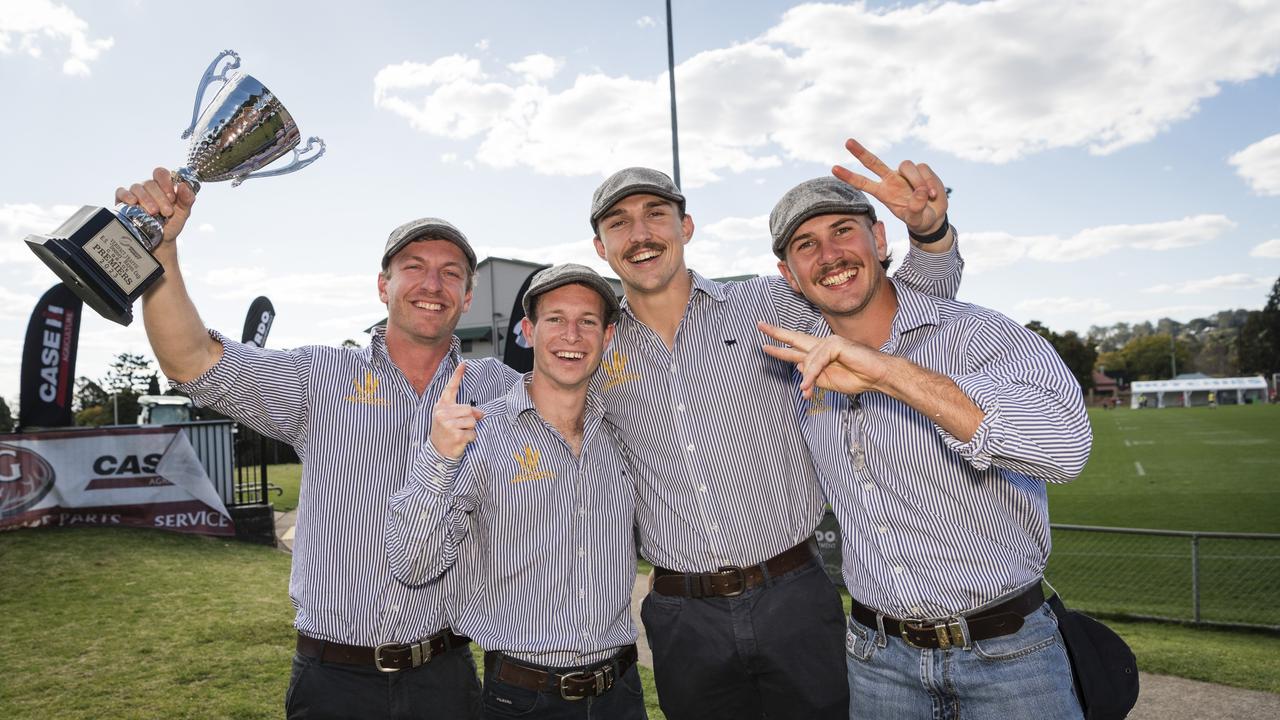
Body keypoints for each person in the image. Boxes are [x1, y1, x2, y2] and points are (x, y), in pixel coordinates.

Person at [116, 168, 519, 719]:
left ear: (468, 296)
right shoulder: (321, 377)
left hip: (445, 678)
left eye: (451, 274)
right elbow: (192, 362)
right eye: (414, 269)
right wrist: (162, 251)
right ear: (384, 286)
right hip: (336, 681)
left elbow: (586, 385)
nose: (432, 285)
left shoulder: (496, 388)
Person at [588, 139, 962, 720]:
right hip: (682, 612)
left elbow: (889, 319)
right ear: (601, 246)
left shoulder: (767, 304)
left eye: (655, 214)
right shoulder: (595, 350)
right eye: (620, 223)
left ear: (685, 226)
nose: (640, 233)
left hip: (792, 593)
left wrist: (931, 237)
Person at [757, 176, 1092, 719]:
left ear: (881, 241)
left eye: (844, 231)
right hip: (877, 659)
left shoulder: (978, 334)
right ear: (789, 276)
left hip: (1008, 652)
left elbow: (1064, 448)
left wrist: (889, 374)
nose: (830, 254)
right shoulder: (799, 367)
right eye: (806, 244)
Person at [386, 264, 645, 719]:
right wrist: (439, 457)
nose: (572, 334)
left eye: (587, 321)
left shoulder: (624, 431)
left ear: (607, 337)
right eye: (555, 319)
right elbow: (412, 563)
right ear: (528, 330)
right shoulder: (480, 434)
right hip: (523, 699)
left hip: (620, 695)